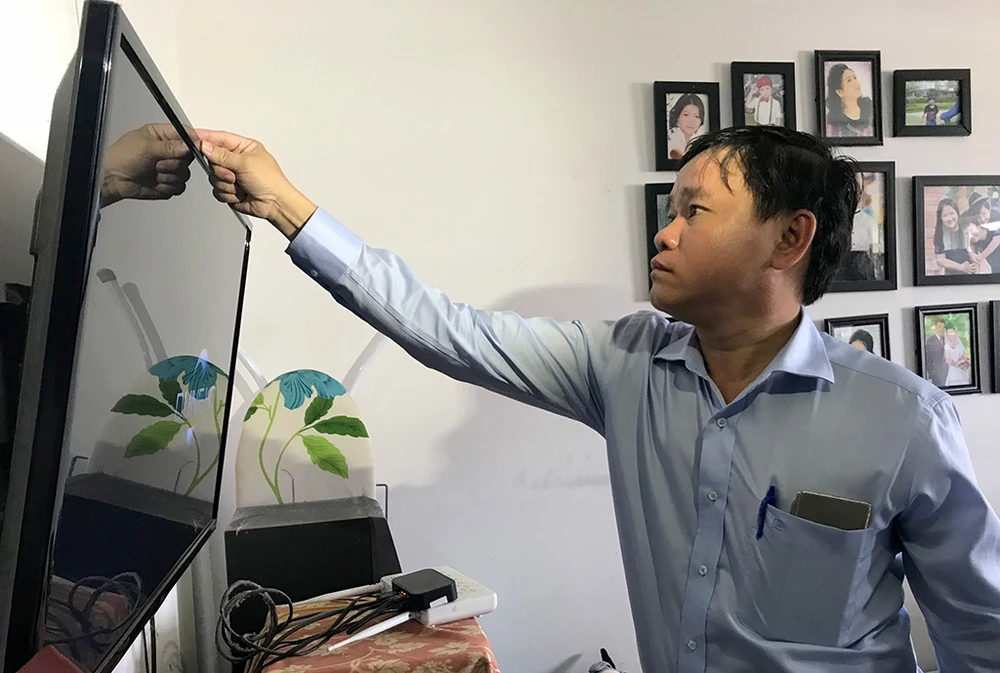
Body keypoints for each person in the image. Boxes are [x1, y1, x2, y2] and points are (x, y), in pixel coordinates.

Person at [195, 124, 1000, 672]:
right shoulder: (623, 364)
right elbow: (447, 328)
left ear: (789, 238)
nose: (665, 232)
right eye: (670, 211)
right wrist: (286, 205)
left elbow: (980, 631)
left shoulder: (902, 419)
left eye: (694, 211)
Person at [825, 63, 874, 137]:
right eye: (849, 80)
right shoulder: (832, 122)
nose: (856, 83)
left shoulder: (870, 109)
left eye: (855, 78)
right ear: (839, 92)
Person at [932, 198, 975, 274]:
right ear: (940, 218)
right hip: (951, 276)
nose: (949, 218)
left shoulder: (966, 228)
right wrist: (961, 267)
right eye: (944, 215)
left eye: (952, 213)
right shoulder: (940, 234)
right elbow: (940, 260)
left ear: (957, 212)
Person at [666, 93, 706, 160]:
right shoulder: (671, 139)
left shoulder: (699, 141)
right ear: (678, 116)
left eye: (696, 116)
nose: (691, 121)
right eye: (686, 114)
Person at [924, 319, 949, 388]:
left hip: (947, 373)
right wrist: (933, 373)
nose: (941, 330)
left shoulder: (947, 340)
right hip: (936, 375)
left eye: (943, 327)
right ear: (935, 327)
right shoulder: (929, 341)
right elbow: (928, 360)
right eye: (939, 327)